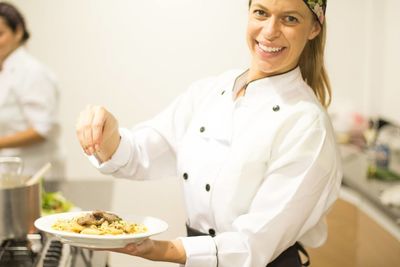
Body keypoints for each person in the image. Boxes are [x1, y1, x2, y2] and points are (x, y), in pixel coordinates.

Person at [76, 0, 342, 266]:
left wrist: (159, 250)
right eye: (261, 13)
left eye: (290, 19)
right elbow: (140, 154)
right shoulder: (212, 91)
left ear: (314, 28)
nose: (270, 31)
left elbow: (254, 243)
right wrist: (106, 135)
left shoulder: (307, 125)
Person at [0, 2, 63, 180]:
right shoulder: (6, 71)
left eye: (0, 34)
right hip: (12, 173)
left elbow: (42, 129)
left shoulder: (32, 72)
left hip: (34, 173)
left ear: (18, 31)